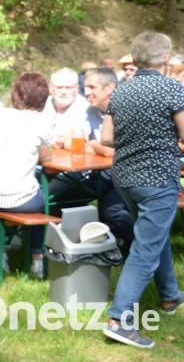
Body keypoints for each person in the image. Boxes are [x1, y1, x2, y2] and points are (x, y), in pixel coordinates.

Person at [101, 31, 184, 349]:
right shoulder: (173, 89)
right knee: (145, 249)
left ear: (135, 59)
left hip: (124, 179)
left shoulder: (121, 91)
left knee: (154, 236)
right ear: (165, 59)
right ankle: (119, 320)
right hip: (157, 182)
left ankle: (169, 297)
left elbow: (107, 138)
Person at [0, 73, 54, 278]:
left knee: (25, 196)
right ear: (43, 97)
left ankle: (1, 252)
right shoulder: (43, 122)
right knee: (46, 201)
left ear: (15, 94)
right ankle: (37, 260)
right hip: (20, 200)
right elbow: (47, 158)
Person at [47, 67, 134, 256]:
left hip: (131, 172)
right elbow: (75, 141)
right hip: (102, 172)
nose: (86, 92)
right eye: (85, 87)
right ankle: (63, 245)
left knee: (112, 211)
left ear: (110, 88)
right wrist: (96, 146)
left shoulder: (128, 109)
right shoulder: (90, 110)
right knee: (54, 198)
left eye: (91, 87)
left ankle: (143, 246)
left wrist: (95, 146)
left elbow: (118, 151)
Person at [42, 67, 90, 146]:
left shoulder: (85, 108)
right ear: (50, 89)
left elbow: (76, 141)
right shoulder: (43, 103)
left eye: (68, 88)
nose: (63, 92)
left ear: (77, 89)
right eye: (59, 87)